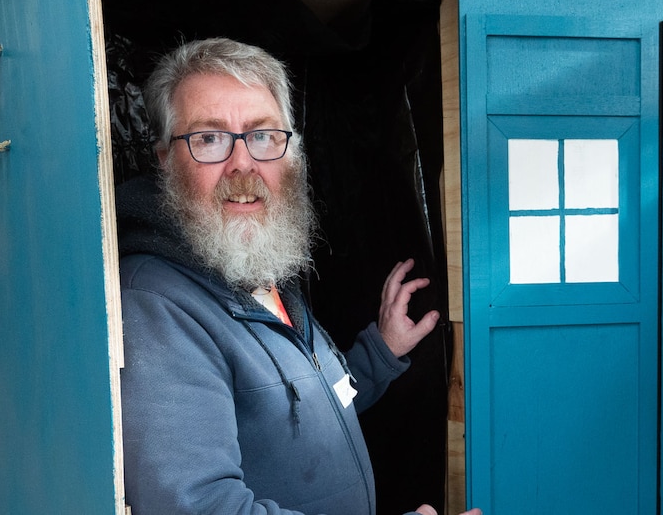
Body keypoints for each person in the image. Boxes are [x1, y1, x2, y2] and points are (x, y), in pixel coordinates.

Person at [117, 37, 481, 515]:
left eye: (262, 136)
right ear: (166, 160)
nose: (242, 164)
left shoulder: (256, 271)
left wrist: (379, 352)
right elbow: (203, 507)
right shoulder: (156, 305)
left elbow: (300, 405)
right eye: (209, 138)